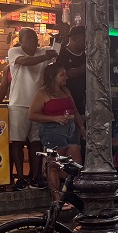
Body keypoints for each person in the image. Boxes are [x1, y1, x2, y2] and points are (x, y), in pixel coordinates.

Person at [8, 27, 58, 190]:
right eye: (28, 38)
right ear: (20, 40)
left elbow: (57, 50)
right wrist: (45, 56)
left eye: (35, 38)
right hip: (18, 103)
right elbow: (25, 62)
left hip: (37, 103)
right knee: (17, 141)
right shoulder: (14, 52)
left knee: (36, 142)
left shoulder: (43, 51)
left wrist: (57, 43)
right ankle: (20, 178)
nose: (33, 41)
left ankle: (36, 177)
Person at [28, 63, 84, 200]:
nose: (66, 77)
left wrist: (82, 128)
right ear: (53, 77)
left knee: (75, 165)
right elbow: (32, 114)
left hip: (70, 128)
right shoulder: (42, 93)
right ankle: (57, 198)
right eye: (62, 75)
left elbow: (75, 110)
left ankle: (70, 193)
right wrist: (54, 118)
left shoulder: (65, 90)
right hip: (53, 130)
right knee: (54, 165)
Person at [55, 25, 87, 117]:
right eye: (83, 39)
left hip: (82, 99)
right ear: (74, 38)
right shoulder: (62, 53)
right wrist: (86, 67)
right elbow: (64, 74)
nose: (86, 42)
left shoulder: (86, 55)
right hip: (66, 99)